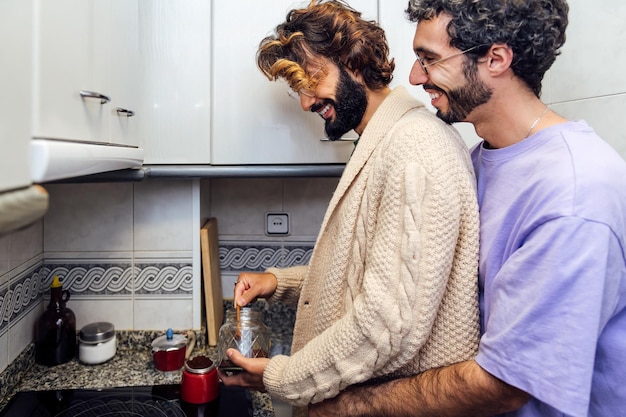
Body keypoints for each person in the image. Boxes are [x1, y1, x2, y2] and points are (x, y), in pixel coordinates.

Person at [307, 0, 626, 416]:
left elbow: (504, 384)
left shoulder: (573, 193)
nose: (414, 76)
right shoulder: (478, 159)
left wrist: (348, 405)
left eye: (429, 59)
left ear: (496, 59)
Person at [218, 0, 482, 414]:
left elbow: (385, 325)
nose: (305, 102)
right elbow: (364, 277)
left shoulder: (414, 147)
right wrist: (278, 281)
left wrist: (281, 378)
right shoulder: (384, 141)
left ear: (355, 63)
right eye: (296, 90)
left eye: (312, 80)